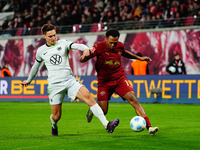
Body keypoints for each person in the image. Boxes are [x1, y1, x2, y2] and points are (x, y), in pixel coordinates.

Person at [20, 24, 119, 136]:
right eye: (50, 36)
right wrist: (28, 81)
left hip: (69, 81)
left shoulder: (63, 43)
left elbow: (79, 46)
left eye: (54, 35)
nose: (53, 38)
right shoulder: (41, 51)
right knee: (56, 116)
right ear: (44, 36)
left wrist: (86, 49)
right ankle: (53, 125)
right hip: (54, 85)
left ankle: (107, 125)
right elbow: (35, 67)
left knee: (88, 97)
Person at [80, 29, 159, 135]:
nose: (113, 45)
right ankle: (92, 109)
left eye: (115, 43)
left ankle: (149, 127)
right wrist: (83, 57)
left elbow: (125, 53)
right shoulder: (99, 46)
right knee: (103, 111)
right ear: (106, 38)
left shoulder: (119, 46)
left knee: (133, 99)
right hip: (104, 82)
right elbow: (86, 57)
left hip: (119, 79)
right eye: (111, 42)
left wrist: (139, 58)